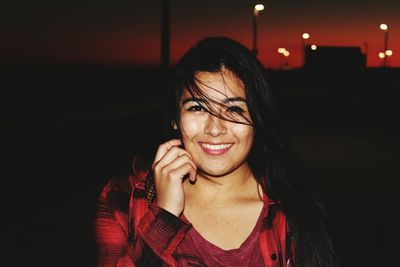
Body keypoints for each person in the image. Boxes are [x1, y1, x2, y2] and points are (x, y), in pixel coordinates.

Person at [95, 37, 338, 267]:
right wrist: (164, 216)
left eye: (233, 109)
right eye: (198, 107)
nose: (214, 128)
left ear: (258, 118)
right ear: (175, 119)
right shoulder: (124, 199)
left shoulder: (292, 206)